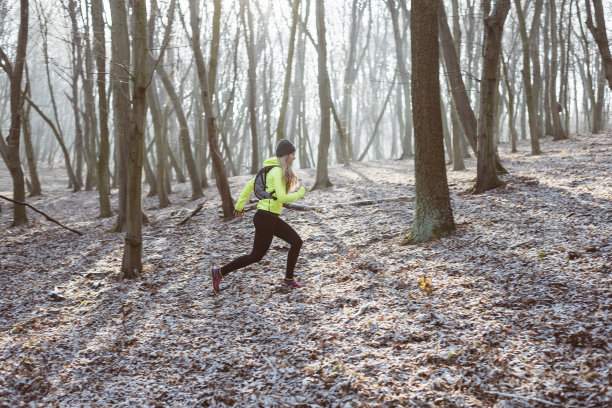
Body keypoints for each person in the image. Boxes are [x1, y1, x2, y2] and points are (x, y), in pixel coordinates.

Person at [211, 139, 307, 293]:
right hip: (266, 218)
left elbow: (250, 185)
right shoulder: (276, 171)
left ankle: (289, 279)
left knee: (296, 242)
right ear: (285, 155)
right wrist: (301, 192)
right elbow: (282, 198)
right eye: (292, 154)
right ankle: (219, 272)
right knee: (256, 256)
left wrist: (240, 205)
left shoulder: (270, 169)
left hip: (269, 217)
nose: (294, 158)